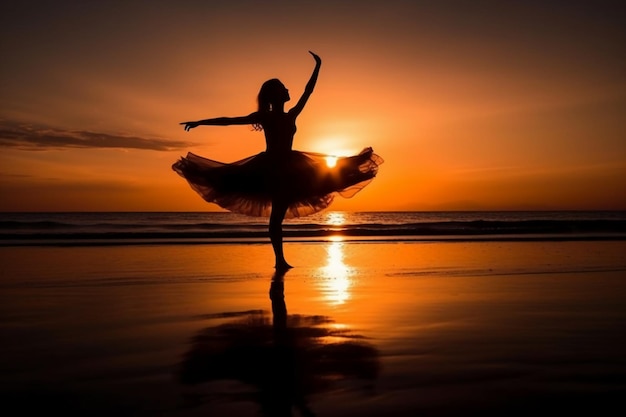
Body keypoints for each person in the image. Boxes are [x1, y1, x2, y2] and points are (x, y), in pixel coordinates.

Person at [173, 51, 382, 270]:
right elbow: (229, 121)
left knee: (290, 206)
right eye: (284, 88)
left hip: (291, 167)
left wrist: (318, 66)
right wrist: (199, 122)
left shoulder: (290, 115)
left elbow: (308, 91)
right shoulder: (266, 117)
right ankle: (280, 261)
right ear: (276, 95)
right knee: (276, 217)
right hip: (272, 169)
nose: (288, 90)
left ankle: (280, 261)